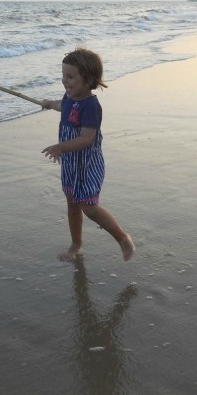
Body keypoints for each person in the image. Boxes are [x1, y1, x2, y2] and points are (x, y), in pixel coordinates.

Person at [41, 48, 135, 262]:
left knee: (89, 208)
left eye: (71, 76)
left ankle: (122, 238)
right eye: (63, 75)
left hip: (87, 165)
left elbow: (87, 138)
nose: (65, 81)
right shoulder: (69, 97)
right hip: (71, 165)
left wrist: (61, 147)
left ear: (89, 79)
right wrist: (49, 104)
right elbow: (62, 106)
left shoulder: (91, 106)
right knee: (72, 204)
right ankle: (76, 244)